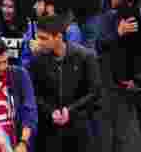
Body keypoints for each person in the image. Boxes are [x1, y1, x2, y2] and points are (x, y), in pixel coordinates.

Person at [95, 0, 141, 152]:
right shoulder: (110, 18)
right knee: (119, 134)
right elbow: (100, 45)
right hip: (119, 85)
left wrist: (138, 80)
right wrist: (118, 33)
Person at [28, 15, 102, 152]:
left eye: (44, 38)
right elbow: (34, 94)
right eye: (38, 37)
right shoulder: (37, 61)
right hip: (49, 133)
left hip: (79, 131)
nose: (39, 42)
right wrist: (51, 111)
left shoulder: (85, 57)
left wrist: (70, 110)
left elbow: (94, 92)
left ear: (59, 37)